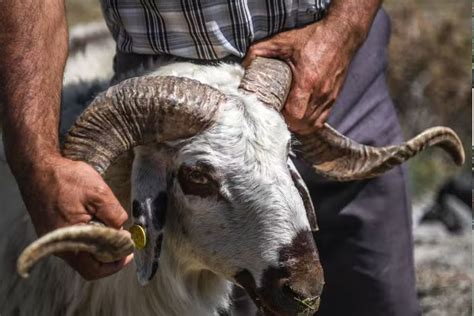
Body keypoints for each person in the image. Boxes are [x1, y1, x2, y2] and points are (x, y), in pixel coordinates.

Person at [0, 1, 419, 315]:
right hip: (157, 112)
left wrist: (343, 29)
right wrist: (38, 162)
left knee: (378, 300)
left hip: (335, 73)